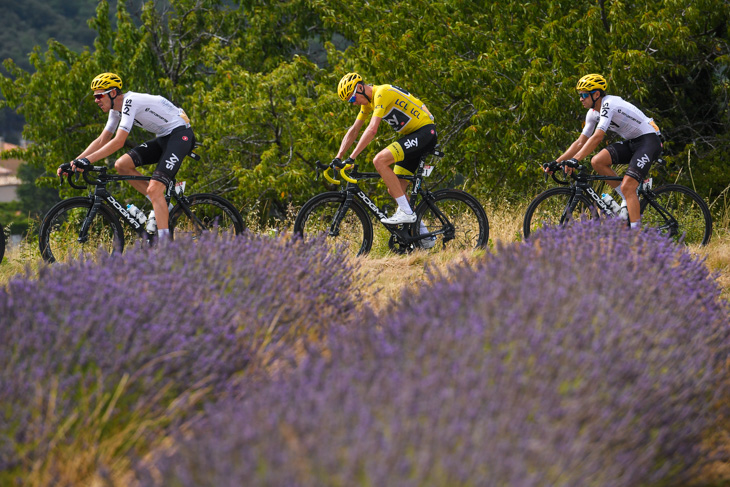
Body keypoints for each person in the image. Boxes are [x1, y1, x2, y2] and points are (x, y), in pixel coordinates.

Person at [58, 72, 195, 243]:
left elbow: (119, 141)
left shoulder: (130, 102)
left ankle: (166, 245)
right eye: (94, 96)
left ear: (113, 93)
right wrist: (74, 162)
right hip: (164, 138)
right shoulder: (116, 110)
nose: (96, 100)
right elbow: (102, 139)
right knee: (121, 164)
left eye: (99, 95)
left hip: (180, 136)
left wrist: (87, 161)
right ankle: (160, 203)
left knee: (154, 188)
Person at [547, 73, 662, 229]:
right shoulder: (593, 113)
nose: (581, 98)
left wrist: (576, 159)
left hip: (649, 140)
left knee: (628, 186)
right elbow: (581, 141)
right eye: (579, 95)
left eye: (584, 95)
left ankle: (635, 238)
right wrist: (557, 162)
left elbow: (598, 137)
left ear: (596, 94)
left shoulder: (609, 104)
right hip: (633, 142)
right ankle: (627, 201)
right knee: (597, 161)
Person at [333, 73, 438, 234]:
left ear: (360, 88)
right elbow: (354, 130)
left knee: (379, 160)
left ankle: (407, 213)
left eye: (352, 99)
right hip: (413, 136)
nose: (353, 104)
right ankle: (424, 235)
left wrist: (352, 157)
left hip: (424, 132)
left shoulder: (382, 93)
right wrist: (339, 156)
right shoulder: (367, 103)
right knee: (395, 189)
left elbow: (372, 129)